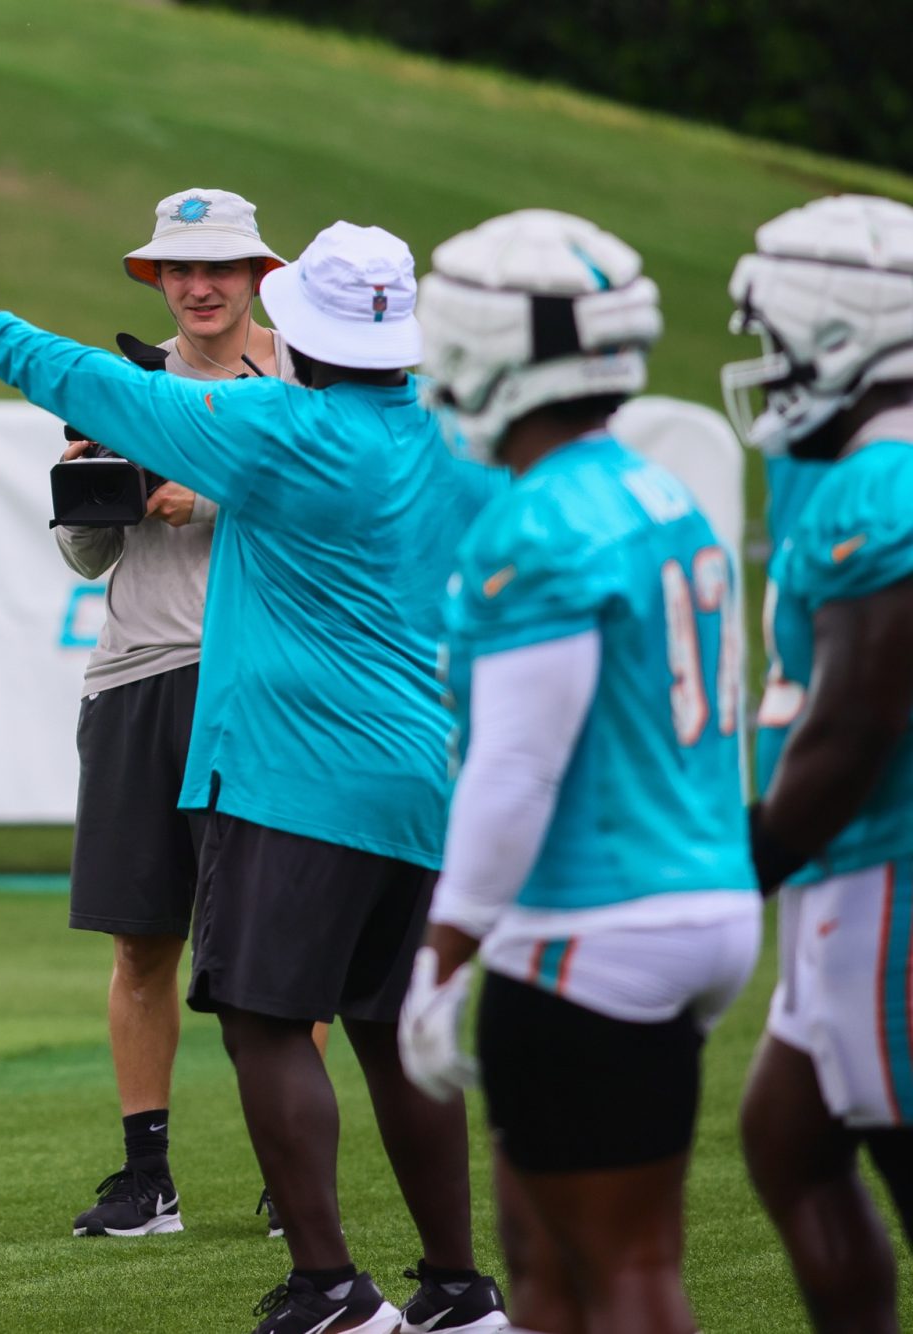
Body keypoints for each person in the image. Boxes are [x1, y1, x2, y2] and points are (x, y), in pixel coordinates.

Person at [0, 221, 504, 1334]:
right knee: (389, 1033)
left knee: (265, 1020)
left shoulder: (278, 423)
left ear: (301, 333)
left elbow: (110, 393)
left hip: (290, 772)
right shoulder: (449, 444)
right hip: (419, 779)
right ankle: (458, 1290)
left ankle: (328, 1289)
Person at [398, 209, 761, 1333]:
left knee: (623, 1271)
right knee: (544, 1262)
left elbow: (513, 767)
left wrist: (443, 946)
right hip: (696, 896)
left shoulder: (537, 523)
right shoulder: (660, 494)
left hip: (594, 923)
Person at [58, 189, 295, 1241]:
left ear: (255, 275)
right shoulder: (123, 384)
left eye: (219, 268)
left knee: (280, 939)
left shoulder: (304, 377)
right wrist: (86, 482)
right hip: (133, 676)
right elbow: (87, 552)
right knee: (138, 937)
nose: (198, 287)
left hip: (264, 681)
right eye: (178, 270)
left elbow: (346, 504)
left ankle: (295, 1170)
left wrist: (205, 491)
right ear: (156, 280)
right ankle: (144, 1177)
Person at [728, 193, 913, 1333]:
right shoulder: (866, 467)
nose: (761, 360)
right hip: (854, 877)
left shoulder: (878, 486)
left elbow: (849, 727)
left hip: (885, 874)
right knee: (785, 1138)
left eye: (774, 333)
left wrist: (731, 866)